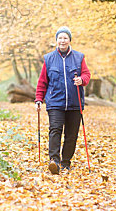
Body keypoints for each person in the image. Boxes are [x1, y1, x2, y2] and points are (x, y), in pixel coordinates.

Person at [35, 26, 91, 174]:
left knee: (71, 134)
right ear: (56, 40)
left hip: (74, 102)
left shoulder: (79, 57)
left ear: (69, 40)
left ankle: (66, 162)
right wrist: (39, 99)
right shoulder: (49, 59)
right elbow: (42, 82)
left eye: (65, 38)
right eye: (60, 38)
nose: (62, 40)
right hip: (55, 102)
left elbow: (86, 74)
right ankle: (54, 161)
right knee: (55, 130)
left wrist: (82, 80)